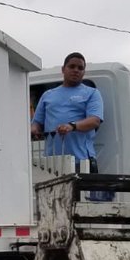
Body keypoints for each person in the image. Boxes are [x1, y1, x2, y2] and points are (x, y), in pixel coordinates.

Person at [30, 52, 112, 199]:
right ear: (63, 69)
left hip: (81, 162)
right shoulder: (48, 95)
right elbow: (36, 123)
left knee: (84, 208)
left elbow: (94, 120)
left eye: (80, 68)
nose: (76, 70)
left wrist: (72, 126)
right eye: (72, 66)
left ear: (84, 72)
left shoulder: (92, 93)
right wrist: (32, 130)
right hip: (52, 163)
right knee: (52, 206)